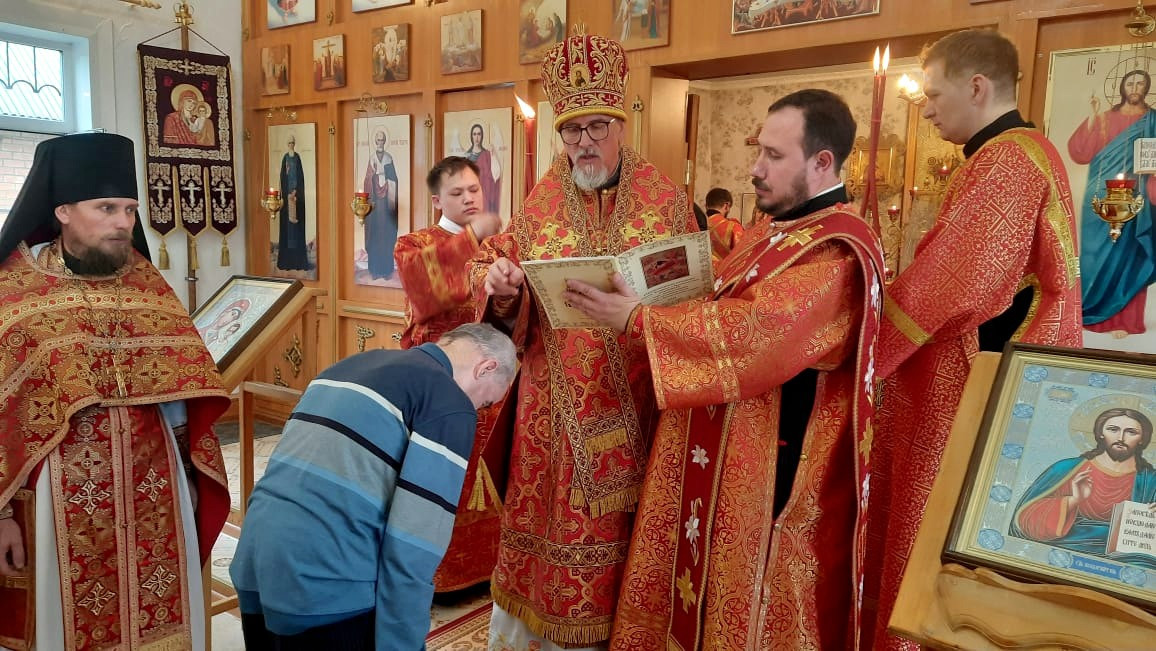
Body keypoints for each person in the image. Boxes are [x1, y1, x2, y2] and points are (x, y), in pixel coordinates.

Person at [567, 88, 885, 649]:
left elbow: (754, 335)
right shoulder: (777, 228)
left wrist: (637, 319)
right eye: (758, 150)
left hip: (768, 473)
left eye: (773, 156)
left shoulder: (836, 250)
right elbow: (717, 296)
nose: (755, 169)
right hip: (717, 449)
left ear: (822, 162)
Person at [472, 33, 697, 650]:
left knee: (622, 542)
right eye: (572, 130)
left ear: (622, 125)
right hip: (549, 415)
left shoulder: (665, 201)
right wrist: (502, 285)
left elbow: (691, 300)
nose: (585, 142)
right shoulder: (542, 199)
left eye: (598, 126)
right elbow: (502, 278)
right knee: (542, 534)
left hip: (632, 403)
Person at [866, 28, 1084, 650]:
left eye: (934, 95)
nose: (927, 110)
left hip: (971, 381)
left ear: (978, 87)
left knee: (930, 525)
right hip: (1001, 370)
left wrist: (865, 342)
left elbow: (955, 284)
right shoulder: (1029, 150)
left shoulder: (1007, 160)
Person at [0, 132, 230, 650]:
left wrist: (191, 472)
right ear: (62, 210)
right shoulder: (15, 292)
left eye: (129, 209)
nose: (123, 223)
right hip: (57, 497)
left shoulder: (147, 285)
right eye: (106, 208)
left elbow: (180, 392)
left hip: (156, 486)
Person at [230, 323, 516, 650]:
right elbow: (413, 544)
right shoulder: (448, 402)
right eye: (486, 402)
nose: (478, 410)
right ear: (486, 367)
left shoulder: (347, 365)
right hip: (324, 580)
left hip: (255, 559)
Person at [393, 156, 504, 592]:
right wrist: (474, 237)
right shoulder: (414, 243)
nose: (469, 198)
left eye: (474, 189)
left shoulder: (500, 244)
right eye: (457, 193)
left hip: (492, 380)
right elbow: (424, 289)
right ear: (438, 200)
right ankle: (438, 575)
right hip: (440, 384)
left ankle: (490, 567)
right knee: (441, 474)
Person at [1067, 69, 1156, 337]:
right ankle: (1092, 310)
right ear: (1122, 87)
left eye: (1140, 83)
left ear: (1147, 87)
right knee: (1095, 255)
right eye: (1130, 83)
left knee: (1130, 255)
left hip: (1137, 196)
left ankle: (1125, 321)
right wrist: (1093, 115)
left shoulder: (1153, 120)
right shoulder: (1105, 118)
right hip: (1100, 195)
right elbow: (1081, 153)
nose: (1135, 87)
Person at [1011, 407, 1156, 568]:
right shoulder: (1066, 469)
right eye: (1113, 429)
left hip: (1129, 559)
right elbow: (1025, 521)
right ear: (1101, 433)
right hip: (1064, 549)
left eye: (1131, 432)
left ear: (1142, 439)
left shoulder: (1151, 481)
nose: (1120, 438)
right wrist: (1073, 500)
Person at [363, 129, 399, 280]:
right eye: (378, 140)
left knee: (386, 236)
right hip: (375, 206)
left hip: (386, 207)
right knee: (375, 236)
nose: (380, 142)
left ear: (385, 141)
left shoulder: (389, 158)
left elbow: (394, 179)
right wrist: (374, 175)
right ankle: (374, 270)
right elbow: (366, 181)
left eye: (382, 140)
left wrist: (386, 175)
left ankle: (385, 271)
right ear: (375, 141)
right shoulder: (371, 159)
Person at [277, 134, 311, 271]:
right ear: (287, 144)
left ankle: (298, 262)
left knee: (296, 230)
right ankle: (287, 262)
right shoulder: (285, 158)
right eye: (289, 143)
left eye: (292, 142)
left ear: (294, 144)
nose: (291, 144)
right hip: (287, 198)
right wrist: (287, 193)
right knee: (287, 229)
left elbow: (300, 177)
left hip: (297, 198)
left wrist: (296, 191)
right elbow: (282, 178)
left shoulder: (297, 158)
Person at [465, 123, 502, 215]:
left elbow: (495, 175)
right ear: (471, 136)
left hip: (484, 193)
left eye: (479, 134)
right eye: (474, 134)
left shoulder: (487, 154)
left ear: (482, 136)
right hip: (469, 193)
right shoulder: (466, 156)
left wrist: (493, 155)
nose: (477, 137)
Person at [703, 186, 744, 261]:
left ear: (706, 206)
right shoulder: (734, 226)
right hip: (726, 268)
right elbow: (742, 257)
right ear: (726, 206)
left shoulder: (696, 225)